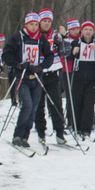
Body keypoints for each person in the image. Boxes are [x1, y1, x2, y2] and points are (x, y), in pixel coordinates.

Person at [2, 12, 53, 148]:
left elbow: (49, 56)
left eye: (36, 24)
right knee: (27, 106)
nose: (34, 27)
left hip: (36, 78)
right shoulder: (18, 37)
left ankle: (25, 137)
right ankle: (17, 134)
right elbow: (6, 55)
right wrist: (18, 64)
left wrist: (40, 67)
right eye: (31, 24)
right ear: (26, 24)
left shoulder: (41, 39)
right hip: (22, 77)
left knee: (34, 109)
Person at [33, 9, 69, 145]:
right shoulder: (35, 35)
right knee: (39, 105)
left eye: (49, 21)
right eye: (44, 21)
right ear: (39, 22)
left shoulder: (56, 35)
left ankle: (60, 133)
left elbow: (65, 50)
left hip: (53, 73)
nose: (46, 24)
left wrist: (64, 37)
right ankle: (41, 132)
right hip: (39, 73)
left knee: (56, 104)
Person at [68, 21, 95, 138]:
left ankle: (86, 129)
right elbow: (67, 57)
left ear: (93, 31)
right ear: (82, 31)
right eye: (86, 29)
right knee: (77, 103)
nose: (88, 32)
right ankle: (76, 127)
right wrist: (73, 52)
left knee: (88, 105)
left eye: (90, 29)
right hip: (77, 78)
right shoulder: (75, 42)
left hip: (91, 79)